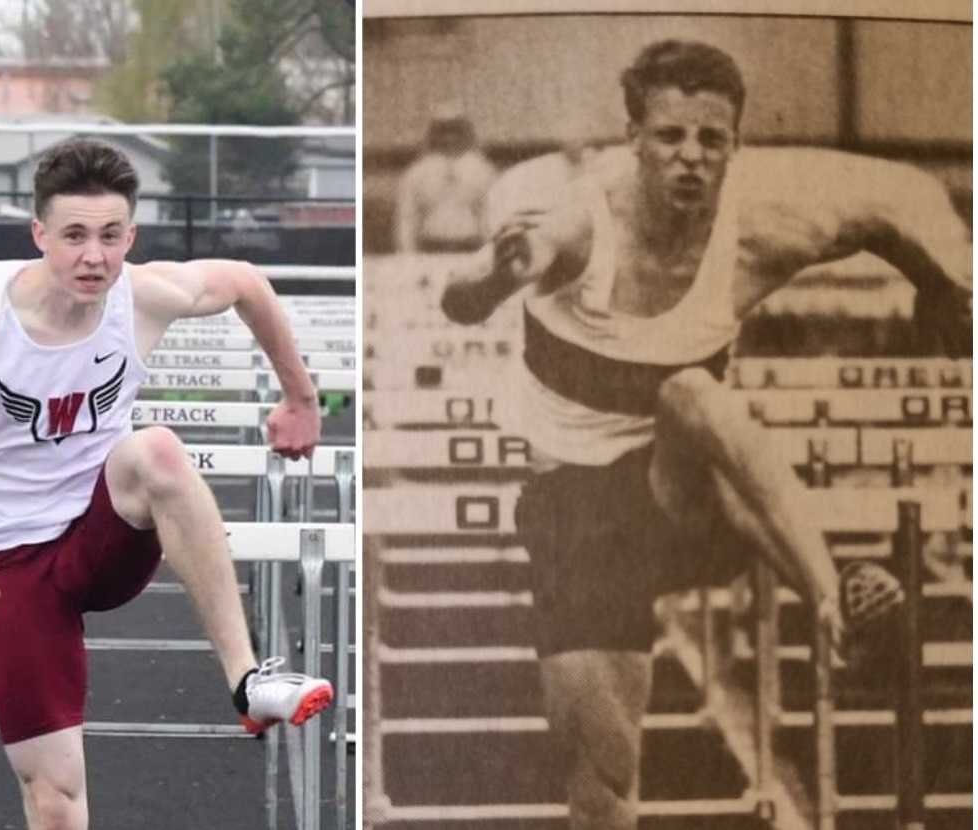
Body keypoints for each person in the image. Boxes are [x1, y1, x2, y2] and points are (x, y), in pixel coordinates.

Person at [440, 40, 971, 829]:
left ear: (733, 146)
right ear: (633, 140)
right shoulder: (580, 225)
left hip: (692, 497)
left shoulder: (767, 226)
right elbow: (465, 295)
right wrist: (492, 277)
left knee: (690, 393)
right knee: (601, 789)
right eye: (668, 138)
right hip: (578, 517)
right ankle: (830, 596)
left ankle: (833, 606)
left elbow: (904, 195)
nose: (689, 158)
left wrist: (947, 283)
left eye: (710, 140)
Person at [0, 139, 334, 829]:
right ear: (38, 234)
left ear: (130, 236)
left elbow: (246, 281)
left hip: (99, 532)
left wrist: (301, 398)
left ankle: (248, 680)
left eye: (110, 236)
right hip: (9, 569)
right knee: (56, 799)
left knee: (155, 450)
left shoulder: (142, 296)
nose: (93, 257)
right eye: (73, 236)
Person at [395, 103, 497, 253]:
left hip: (470, 248)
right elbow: (407, 219)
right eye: (443, 132)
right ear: (433, 135)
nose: (449, 138)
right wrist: (407, 256)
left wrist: (490, 253)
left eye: (456, 131)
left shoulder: (484, 171)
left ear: (466, 133)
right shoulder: (416, 173)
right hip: (430, 249)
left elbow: (490, 216)